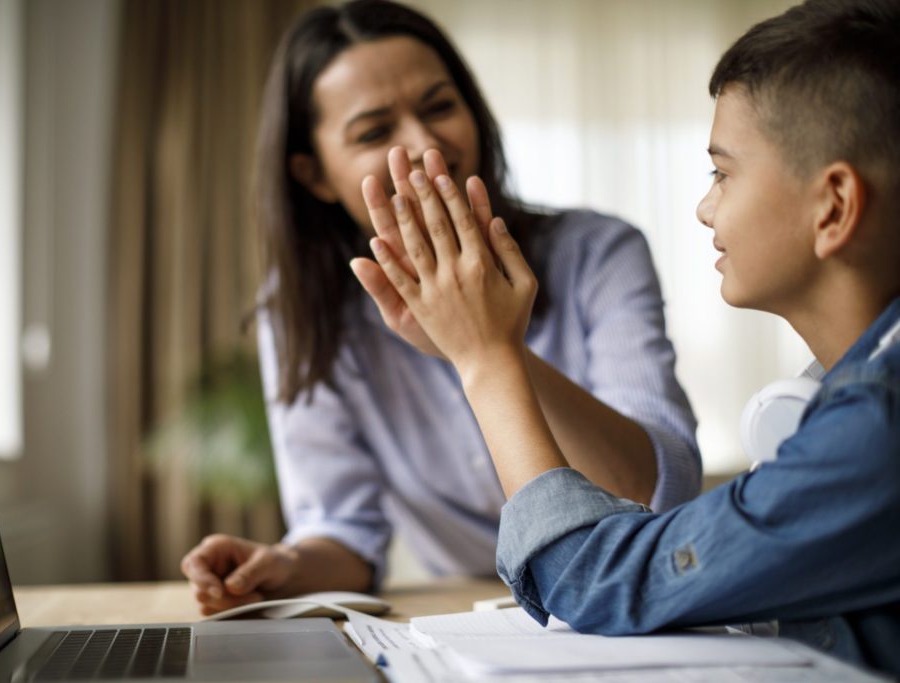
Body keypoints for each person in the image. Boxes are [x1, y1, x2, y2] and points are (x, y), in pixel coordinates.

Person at [358, 0, 900, 674]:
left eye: (721, 173)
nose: (704, 207)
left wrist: (485, 359)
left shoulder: (875, 425)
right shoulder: (848, 399)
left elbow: (599, 578)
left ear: (835, 206)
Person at [181, 0, 700, 615]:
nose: (427, 146)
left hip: (630, 587)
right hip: (469, 614)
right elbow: (346, 531)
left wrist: (485, 344)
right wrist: (284, 566)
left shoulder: (599, 251)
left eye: (439, 108)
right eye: (375, 133)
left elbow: (657, 490)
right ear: (314, 173)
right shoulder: (300, 314)